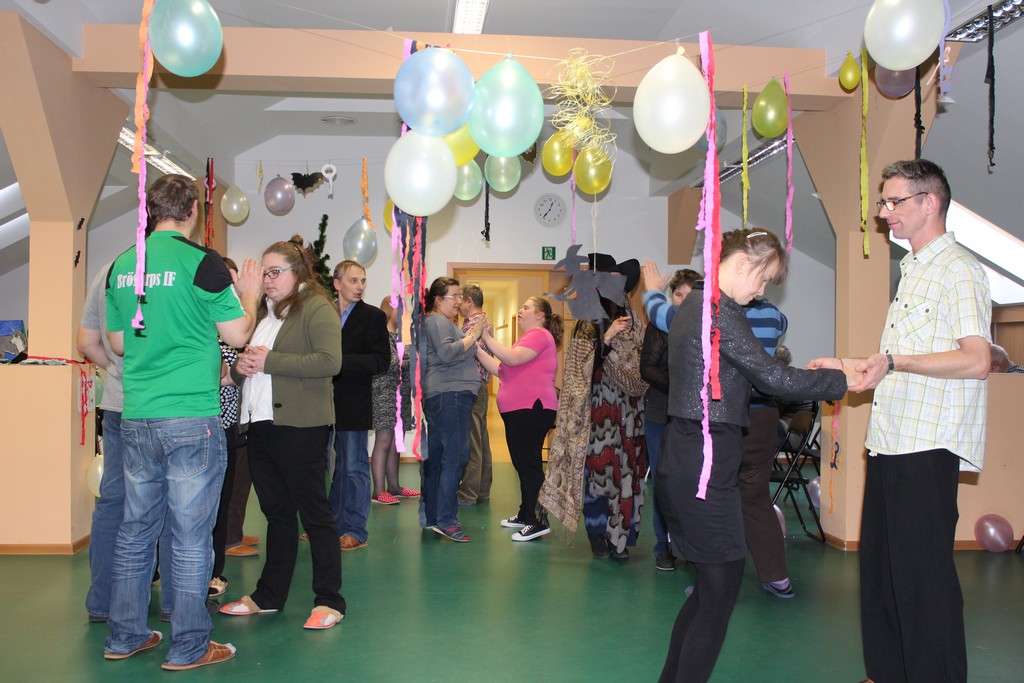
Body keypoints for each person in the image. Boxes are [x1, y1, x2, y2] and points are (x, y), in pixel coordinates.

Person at [811, 159, 992, 683]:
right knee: (881, 575)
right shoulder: (913, 268)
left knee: (923, 582)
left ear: (929, 202)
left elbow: (977, 359)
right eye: (883, 202)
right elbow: (897, 362)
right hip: (890, 443)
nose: (885, 212)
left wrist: (895, 361)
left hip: (927, 447)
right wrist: (851, 366)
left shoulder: (959, 269)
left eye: (894, 201)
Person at [657, 228, 855, 683]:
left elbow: (753, 376)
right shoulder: (716, 310)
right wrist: (844, 378)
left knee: (710, 593)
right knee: (718, 593)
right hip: (702, 459)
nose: (763, 290)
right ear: (744, 262)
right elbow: (774, 379)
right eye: (764, 278)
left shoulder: (701, 303)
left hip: (697, 455)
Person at [104, 174, 260, 670]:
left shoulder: (122, 264)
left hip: (137, 416)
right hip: (191, 416)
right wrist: (249, 294)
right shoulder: (201, 262)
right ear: (193, 210)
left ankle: (125, 635)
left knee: (135, 532)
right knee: (191, 537)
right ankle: (189, 645)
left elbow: (118, 343)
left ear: (150, 210)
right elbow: (238, 334)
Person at [220, 238, 346, 630]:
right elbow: (249, 367)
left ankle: (329, 599)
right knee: (276, 514)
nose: (268, 280)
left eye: (276, 272)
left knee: (315, 514)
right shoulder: (264, 313)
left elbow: (330, 361)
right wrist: (241, 368)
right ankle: (269, 596)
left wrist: (270, 361)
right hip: (260, 425)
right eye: (264, 273)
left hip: (300, 426)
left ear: (298, 272)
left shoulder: (316, 306)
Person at [539, 254, 648, 560]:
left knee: (627, 475)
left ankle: (620, 538)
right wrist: (607, 339)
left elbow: (641, 362)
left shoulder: (634, 319)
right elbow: (579, 370)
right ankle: (598, 535)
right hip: (598, 413)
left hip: (630, 413)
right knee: (601, 476)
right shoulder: (587, 320)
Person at [477, 296, 563, 541]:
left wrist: (486, 337)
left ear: (540, 315)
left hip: (532, 408)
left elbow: (511, 358)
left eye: (526, 307)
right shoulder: (527, 340)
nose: (520, 311)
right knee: (523, 464)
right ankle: (527, 514)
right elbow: (501, 369)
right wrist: (475, 347)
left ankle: (538, 521)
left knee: (529, 465)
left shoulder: (540, 335)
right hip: (521, 410)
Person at [640, 266, 701, 571]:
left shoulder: (703, 327)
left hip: (693, 418)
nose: (683, 300)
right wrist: (681, 386)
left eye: (690, 295)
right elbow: (647, 369)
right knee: (663, 482)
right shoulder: (659, 325)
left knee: (691, 481)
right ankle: (663, 546)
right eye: (678, 294)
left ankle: (689, 544)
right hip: (660, 414)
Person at [328, 260, 390, 550]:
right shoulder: (323, 314)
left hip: (353, 402)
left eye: (362, 281)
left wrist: (339, 363)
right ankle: (332, 525)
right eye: (353, 281)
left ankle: (355, 530)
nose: (359, 286)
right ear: (337, 284)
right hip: (321, 402)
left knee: (354, 468)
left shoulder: (373, 317)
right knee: (337, 469)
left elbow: (381, 361)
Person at [421, 276, 486, 542]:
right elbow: (448, 353)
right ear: (438, 300)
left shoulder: (441, 322)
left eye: (460, 296)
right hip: (451, 396)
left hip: (445, 396)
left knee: (439, 457)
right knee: (456, 457)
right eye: (455, 296)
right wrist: (473, 335)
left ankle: (434, 517)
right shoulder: (437, 321)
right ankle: (447, 520)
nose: (459, 301)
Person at [80, 261, 127, 622]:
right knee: (171, 504)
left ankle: (102, 601)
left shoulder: (109, 270)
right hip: (168, 405)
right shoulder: (183, 263)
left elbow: (85, 342)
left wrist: (114, 371)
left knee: (112, 501)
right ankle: (175, 604)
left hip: (118, 402)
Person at [369, 295, 420, 504]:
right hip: (384, 394)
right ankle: (378, 490)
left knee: (395, 442)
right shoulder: (380, 337)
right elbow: (389, 364)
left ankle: (394, 487)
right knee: (383, 441)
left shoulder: (397, 337)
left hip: (399, 397)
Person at [457, 284, 494, 507]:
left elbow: (463, 354)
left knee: (473, 440)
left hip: (472, 385)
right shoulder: (482, 322)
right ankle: (482, 490)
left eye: (460, 299)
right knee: (480, 437)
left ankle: (468, 493)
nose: (457, 303)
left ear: (469, 301)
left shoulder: (474, 325)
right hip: (479, 385)